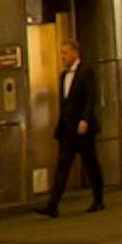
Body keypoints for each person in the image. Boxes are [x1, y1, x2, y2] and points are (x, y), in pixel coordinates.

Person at [42, 34, 105, 216]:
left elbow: (91, 98)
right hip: (67, 129)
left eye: (65, 53)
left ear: (75, 53)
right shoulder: (63, 76)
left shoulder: (86, 72)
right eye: (61, 53)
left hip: (83, 128)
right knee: (62, 166)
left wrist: (85, 119)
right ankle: (53, 205)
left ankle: (99, 199)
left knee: (90, 163)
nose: (62, 56)